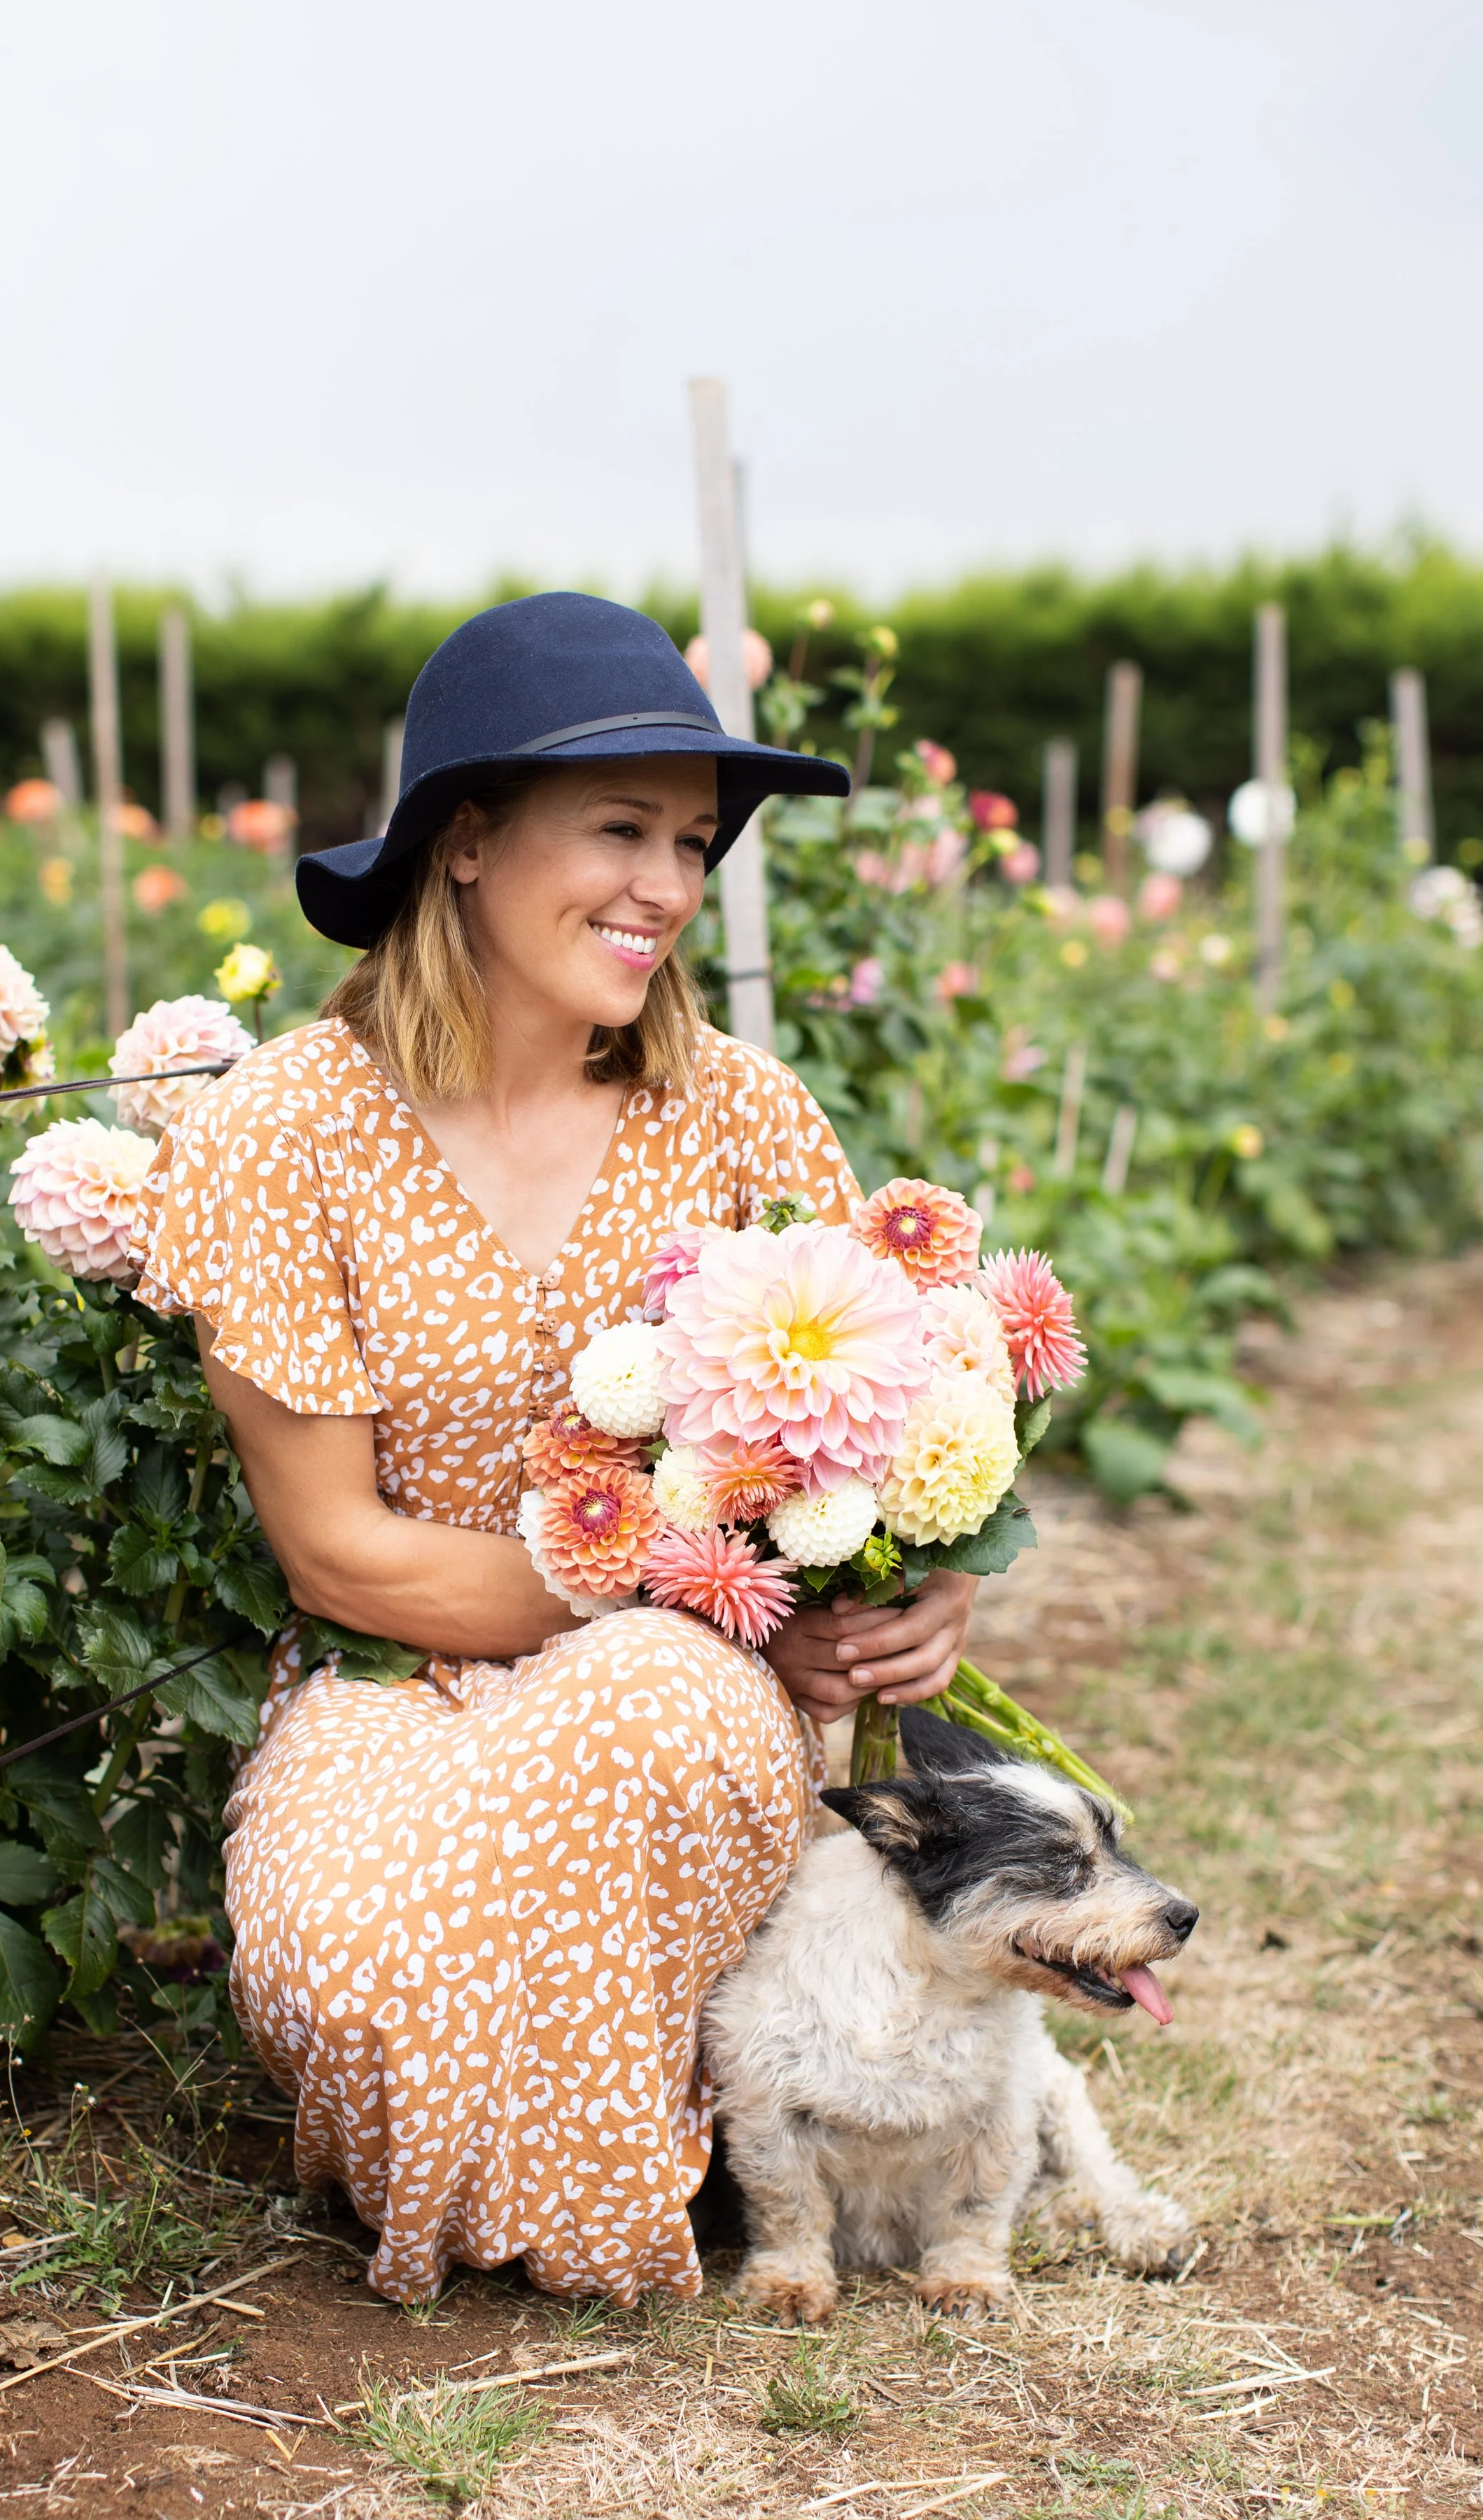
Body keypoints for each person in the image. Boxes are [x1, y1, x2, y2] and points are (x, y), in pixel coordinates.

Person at [133, 593, 976, 2305]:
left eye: (687, 841)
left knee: (652, 1709)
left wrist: (913, 1593)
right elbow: (340, 1555)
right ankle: (653, 2136)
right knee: (348, 1978)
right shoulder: (281, 1132)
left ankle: (594, 2176)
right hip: (393, 1685)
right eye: (617, 828)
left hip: (687, 1705)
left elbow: (870, 1441)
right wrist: (695, 1584)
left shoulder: (736, 1116)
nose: (663, 885)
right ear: (462, 840)